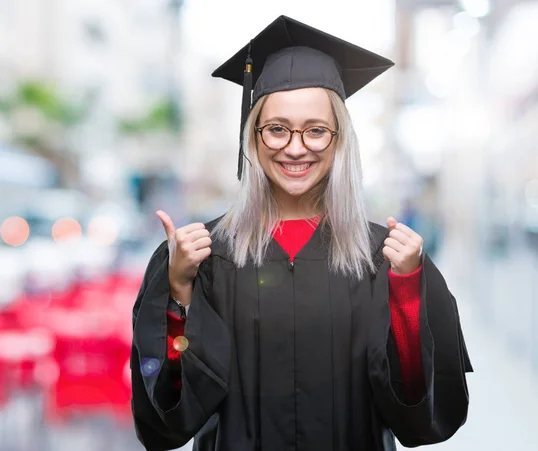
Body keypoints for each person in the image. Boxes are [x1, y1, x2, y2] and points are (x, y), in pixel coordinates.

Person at [130, 15, 473, 451]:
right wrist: (179, 292)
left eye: (316, 130)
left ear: (339, 140)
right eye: (276, 129)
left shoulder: (382, 257)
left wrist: (405, 290)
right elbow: (169, 420)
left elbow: (420, 418)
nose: (295, 147)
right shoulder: (205, 257)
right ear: (252, 137)